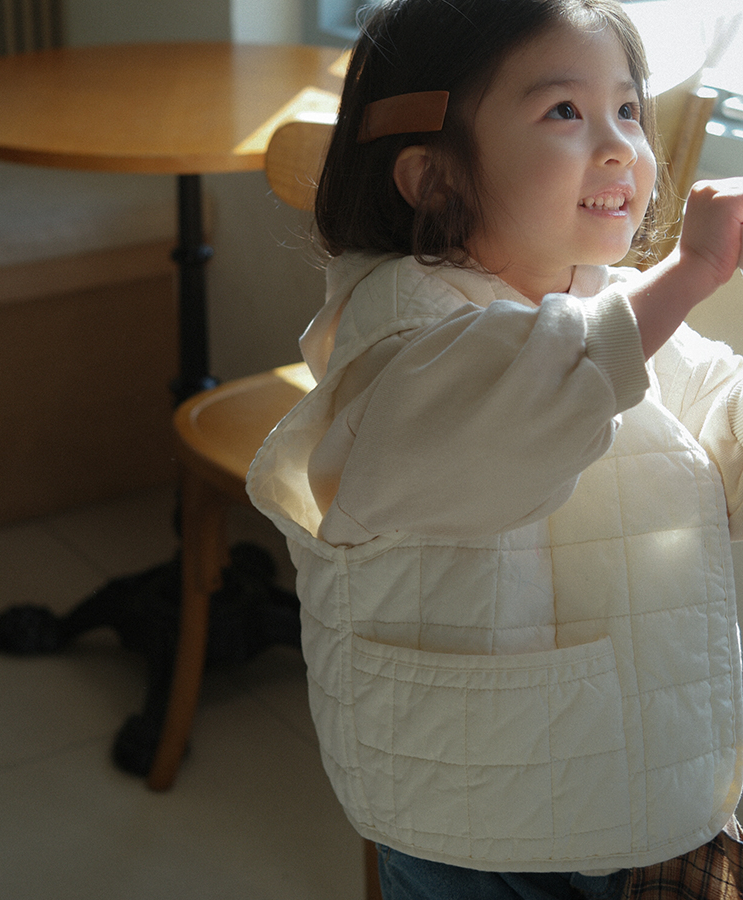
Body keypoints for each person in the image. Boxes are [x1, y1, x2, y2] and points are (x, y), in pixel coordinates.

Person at [246, 0, 743, 897]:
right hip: (479, 809)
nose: (620, 146)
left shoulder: (601, 300)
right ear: (434, 178)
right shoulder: (399, 339)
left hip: (624, 759)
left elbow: (712, 401)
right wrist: (692, 274)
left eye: (629, 109)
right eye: (565, 111)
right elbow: (529, 390)